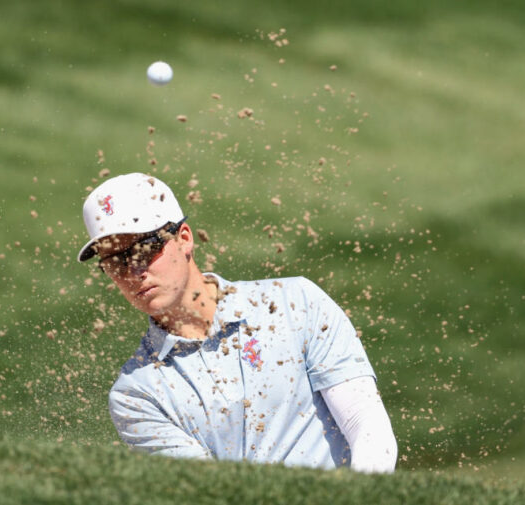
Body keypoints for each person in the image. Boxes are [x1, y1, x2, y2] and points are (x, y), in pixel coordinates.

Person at [77, 172, 398, 473]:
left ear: (184, 238)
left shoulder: (295, 302)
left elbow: (365, 423)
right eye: (116, 261)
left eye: (145, 249)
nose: (134, 272)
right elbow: (211, 492)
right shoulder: (135, 394)